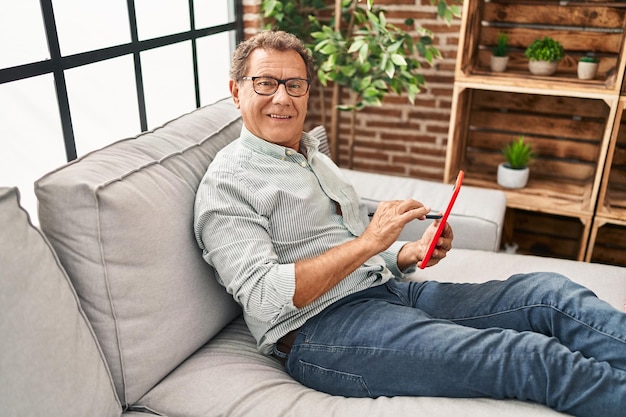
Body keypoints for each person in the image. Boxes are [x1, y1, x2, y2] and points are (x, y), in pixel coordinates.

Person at [194, 30, 626, 417]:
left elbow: (352, 246)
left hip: (389, 292)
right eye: (266, 83)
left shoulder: (313, 155)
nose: (282, 98)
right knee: (530, 357)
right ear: (236, 92)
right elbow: (265, 298)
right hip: (322, 334)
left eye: (295, 84)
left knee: (548, 294)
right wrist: (368, 242)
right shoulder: (228, 184)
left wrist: (405, 252)